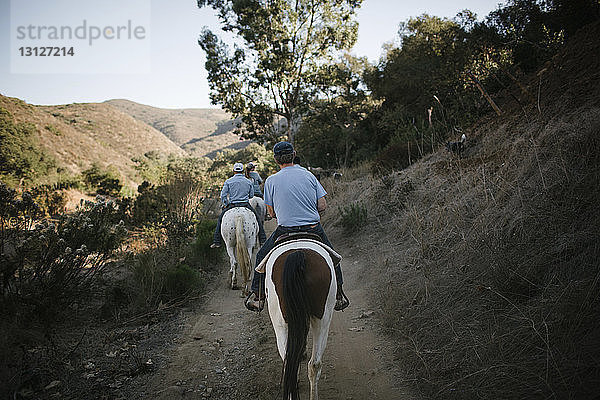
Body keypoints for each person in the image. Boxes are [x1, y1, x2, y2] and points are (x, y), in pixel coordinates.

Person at [245, 141, 349, 312]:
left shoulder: (271, 181)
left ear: (276, 159)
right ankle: (339, 294)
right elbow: (322, 205)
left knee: (261, 256)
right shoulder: (309, 176)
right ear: (294, 155)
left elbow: (271, 214)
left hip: (285, 230)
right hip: (313, 228)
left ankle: (257, 295)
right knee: (333, 258)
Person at [211, 162, 267, 248]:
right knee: (257, 219)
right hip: (245, 204)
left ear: (233, 171)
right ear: (242, 171)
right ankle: (263, 240)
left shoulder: (228, 181)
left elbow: (223, 195)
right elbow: (251, 195)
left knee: (220, 220)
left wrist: (226, 204)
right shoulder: (248, 181)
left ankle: (217, 241)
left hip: (232, 205)